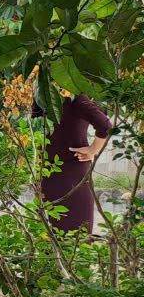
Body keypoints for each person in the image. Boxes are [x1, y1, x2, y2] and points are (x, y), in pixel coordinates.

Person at [34, 92, 114, 233]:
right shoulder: (40, 93)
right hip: (47, 173)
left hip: (70, 173)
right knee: (48, 231)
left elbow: (105, 126)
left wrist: (93, 149)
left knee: (73, 233)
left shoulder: (74, 97)